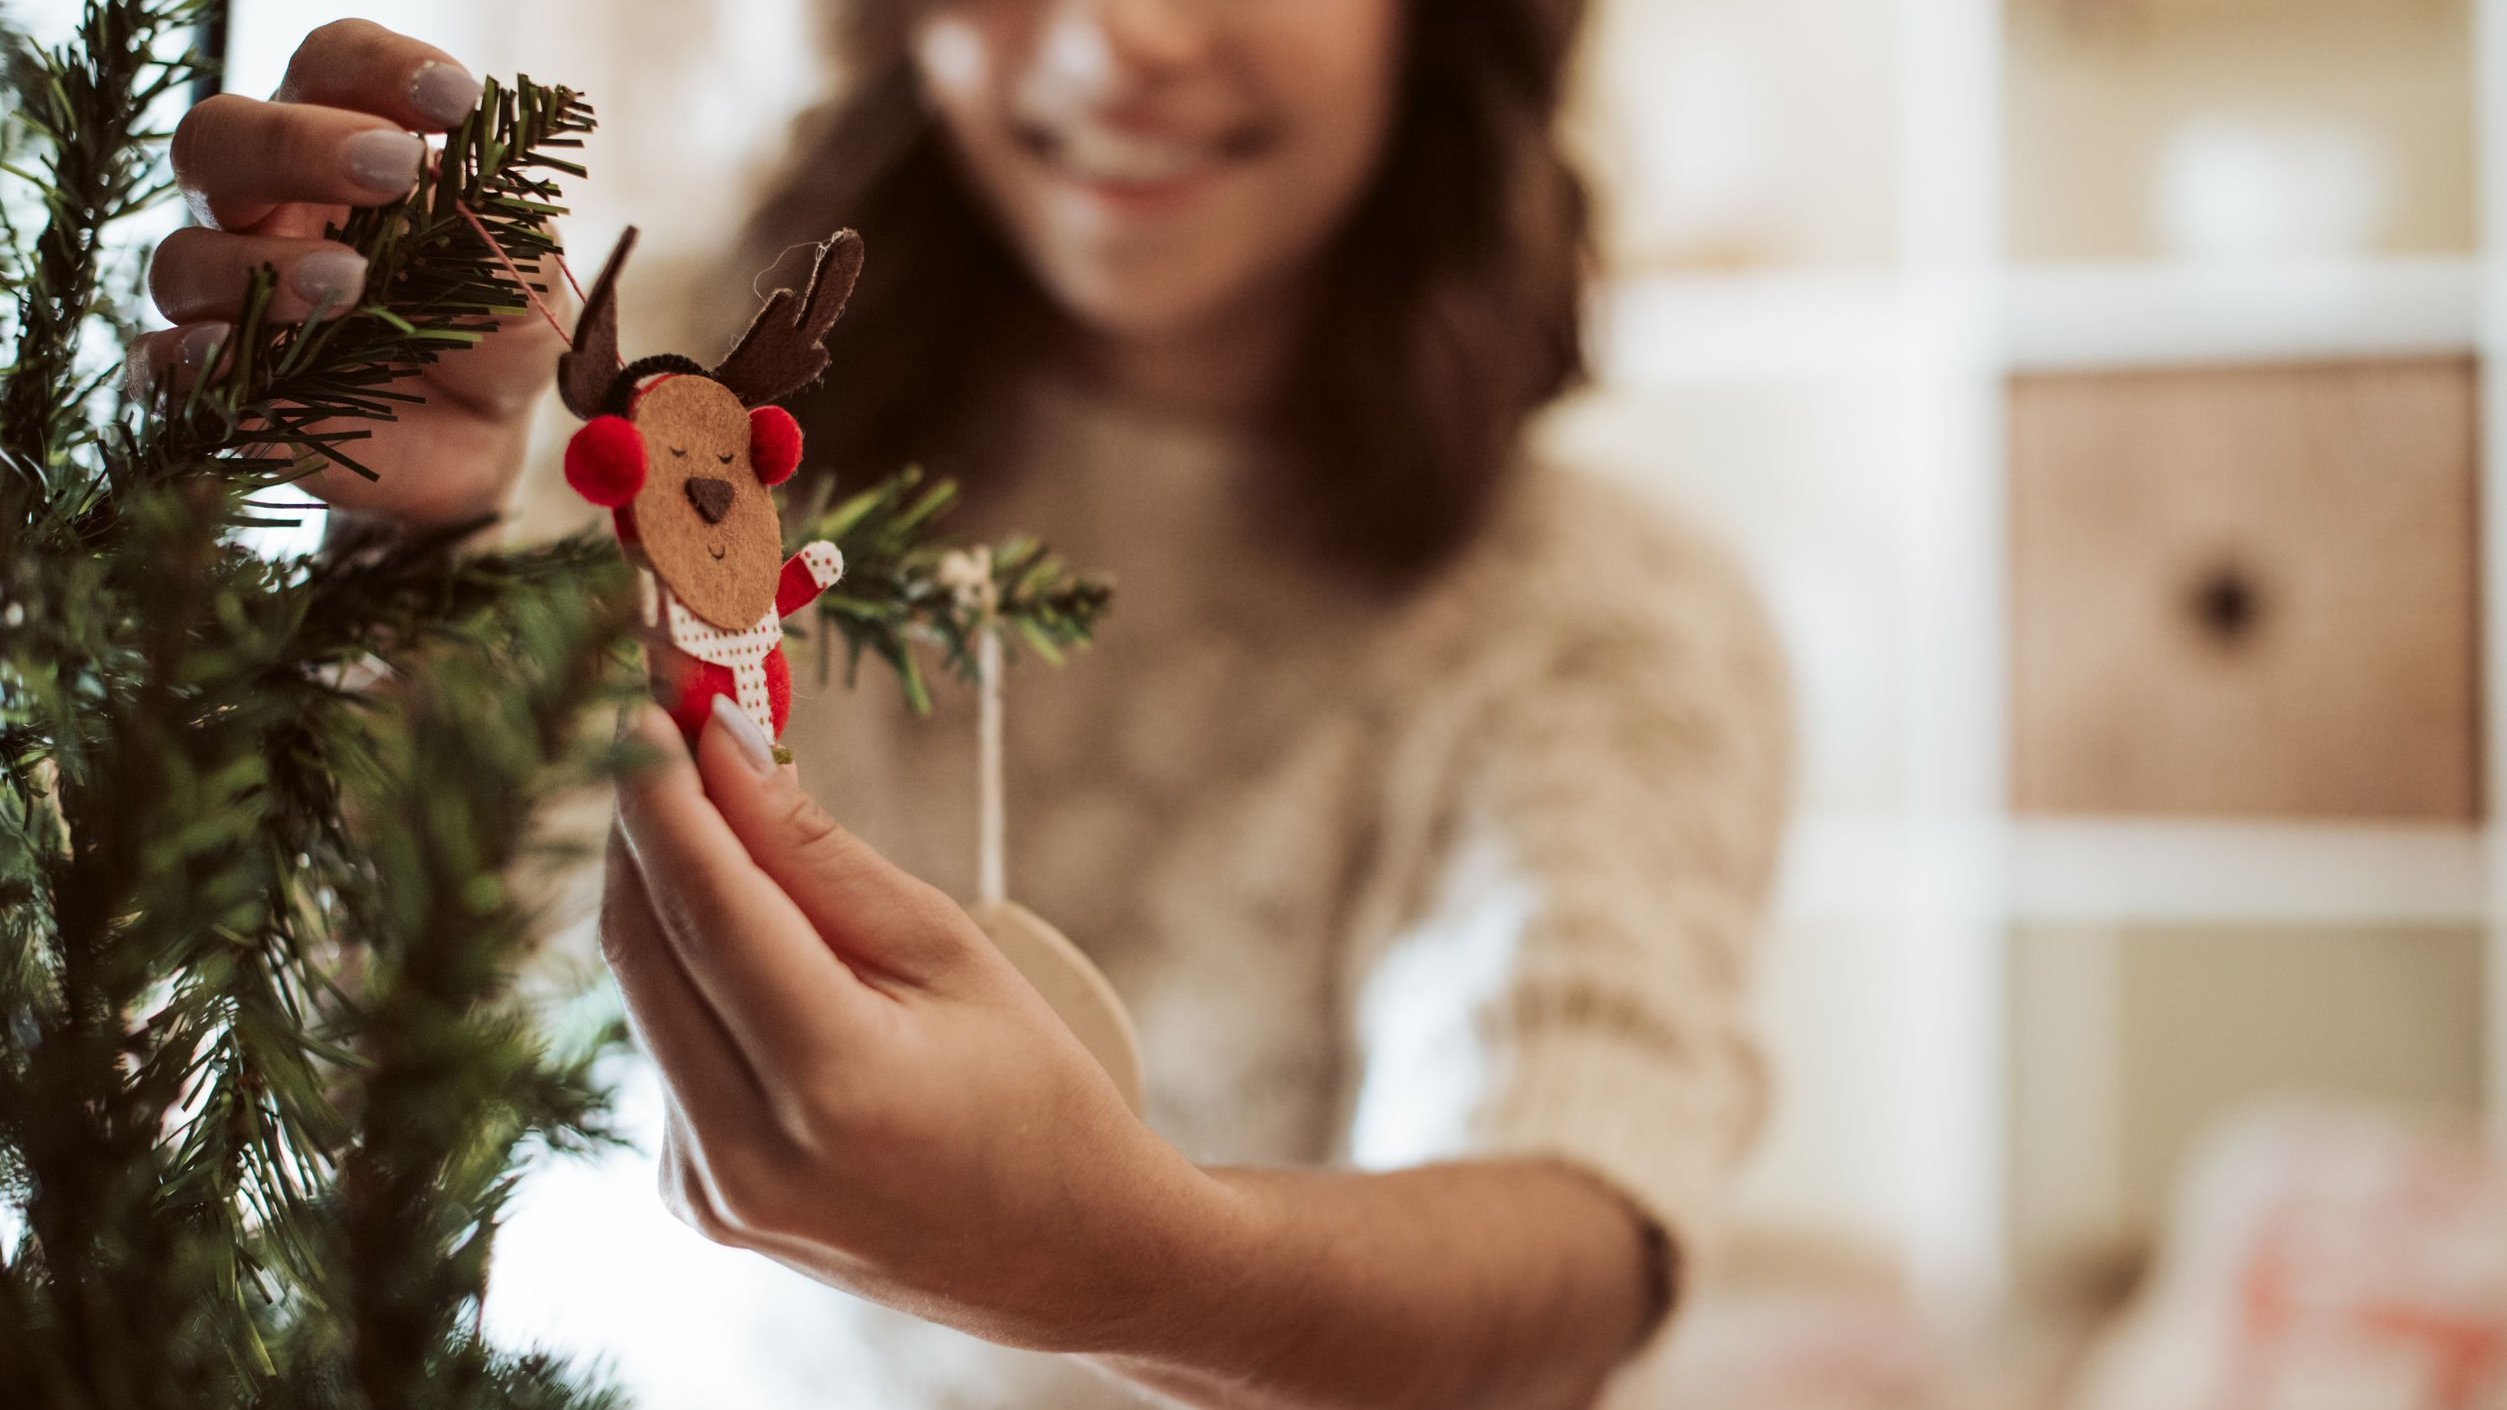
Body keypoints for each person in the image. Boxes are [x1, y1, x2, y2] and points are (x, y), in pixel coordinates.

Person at [139, 5, 1791, 1407]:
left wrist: (1140, 1267)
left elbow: (1573, 1230)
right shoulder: (662, 425)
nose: (1111, 44)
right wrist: (397, 555)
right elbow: (303, 1028)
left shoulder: (1593, 614)